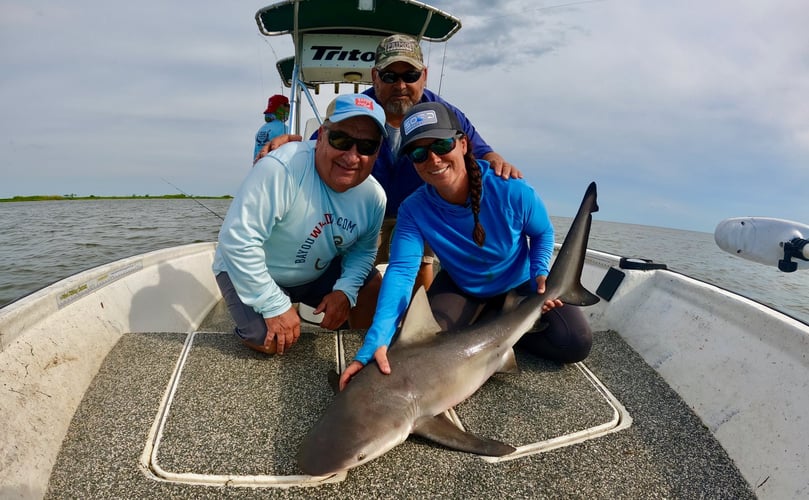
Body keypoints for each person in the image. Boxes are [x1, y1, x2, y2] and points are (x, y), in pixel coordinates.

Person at [339, 102, 592, 390]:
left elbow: (543, 233)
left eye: (442, 145)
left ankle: (495, 322)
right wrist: (377, 338)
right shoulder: (414, 209)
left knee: (575, 343)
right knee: (422, 352)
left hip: (520, 282)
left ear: (462, 144)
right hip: (462, 285)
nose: (433, 159)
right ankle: (499, 323)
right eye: (419, 153)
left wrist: (539, 273)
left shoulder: (510, 189)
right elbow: (400, 273)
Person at [260, 34, 521, 292]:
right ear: (374, 76)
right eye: (389, 76)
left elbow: (483, 152)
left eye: (410, 76)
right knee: (360, 276)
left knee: (421, 265)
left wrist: (500, 165)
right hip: (365, 213)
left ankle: (419, 327)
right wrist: (292, 148)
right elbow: (322, 145)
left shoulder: (444, 114)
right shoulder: (358, 111)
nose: (400, 85)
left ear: (424, 75)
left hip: (419, 211)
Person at [214, 93, 388, 355]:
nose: (352, 157)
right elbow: (237, 241)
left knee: (372, 287)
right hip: (254, 268)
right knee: (270, 342)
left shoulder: (374, 197)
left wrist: (345, 292)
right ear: (321, 135)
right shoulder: (281, 168)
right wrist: (274, 305)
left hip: (314, 274)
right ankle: (250, 318)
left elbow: (363, 251)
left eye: (366, 147)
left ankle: (359, 355)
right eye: (341, 140)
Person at [253, 94, 290, 163]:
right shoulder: (285, 129)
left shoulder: (261, 129)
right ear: (281, 108)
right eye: (287, 106)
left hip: (258, 168)